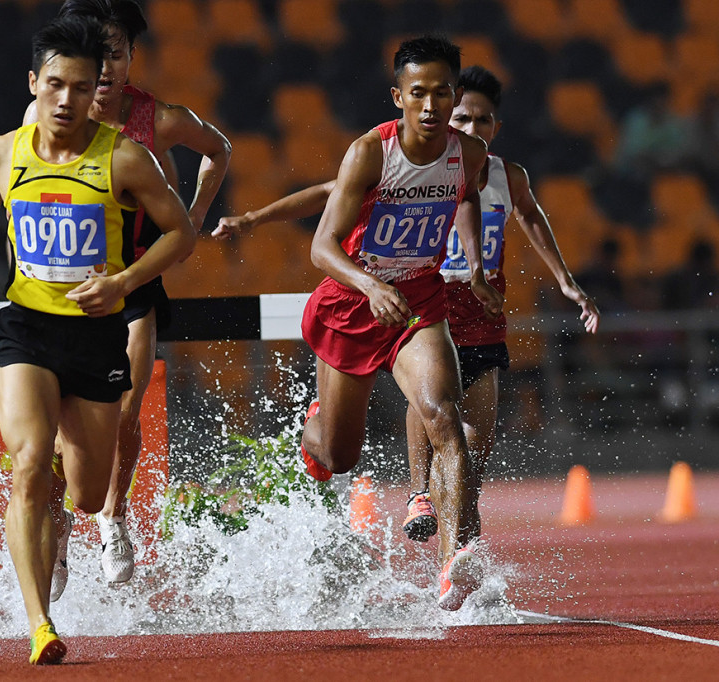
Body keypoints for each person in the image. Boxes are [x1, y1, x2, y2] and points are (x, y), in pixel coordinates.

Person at [216, 65, 601, 560]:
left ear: (494, 129)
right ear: (408, 100)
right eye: (462, 117)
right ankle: (418, 489)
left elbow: (493, 206)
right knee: (371, 441)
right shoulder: (389, 154)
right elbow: (328, 197)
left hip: (465, 319)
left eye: (482, 121)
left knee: (465, 449)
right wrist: (253, 218)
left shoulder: (493, 171)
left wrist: (540, 280)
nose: (469, 128)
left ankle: (455, 567)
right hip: (399, 304)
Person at [0, 16, 195, 664]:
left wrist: (124, 282)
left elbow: (179, 233)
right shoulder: (0, 152)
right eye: (54, 84)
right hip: (26, 327)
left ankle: (65, 468)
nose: (65, 100)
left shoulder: (124, 157)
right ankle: (40, 624)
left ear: (98, 93)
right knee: (28, 464)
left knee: (87, 497)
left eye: (79, 88)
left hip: (94, 336)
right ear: (34, 83)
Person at [285, 35, 501, 612]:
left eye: (441, 93)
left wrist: (474, 262)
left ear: (454, 94)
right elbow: (322, 248)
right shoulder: (369, 153)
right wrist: (370, 284)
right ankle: (318, 423)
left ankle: (454, 564)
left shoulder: (469, 156)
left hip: (418, 306)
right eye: (418, 94)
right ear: (399, 97)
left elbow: (469, 197)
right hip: (353, 304)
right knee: (339, 456)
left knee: (443, 417)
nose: (430, 107)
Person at [27, 0, 231, 592]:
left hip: (136, 279)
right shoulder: (45, 118)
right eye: (99, 53)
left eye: (118, 52)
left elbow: (218, 150)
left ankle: (114, 520)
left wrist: (190, 221)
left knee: (125, 410)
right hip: (67, 291)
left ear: (131, 56)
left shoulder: (158, 119)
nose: (109, 67)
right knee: (65, 428)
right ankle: (58, 531)